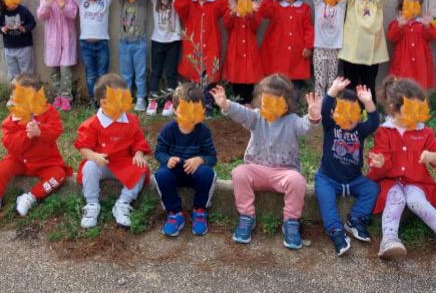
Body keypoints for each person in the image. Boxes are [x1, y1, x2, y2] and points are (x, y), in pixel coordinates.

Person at [211, 74, 321, 250]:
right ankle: (247, 216)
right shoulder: (256, 117)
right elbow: (242, 113)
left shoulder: (291, 121)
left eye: (275, 100)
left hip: (284, 172)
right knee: (239, 173)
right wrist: (225, 104)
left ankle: (291, 222)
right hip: (257, 169)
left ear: (286, 103)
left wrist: (313, 116)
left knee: (297, 180)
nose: (268, 104)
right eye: (265, 99)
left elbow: (304, 127)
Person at [366, 76, 436, 261]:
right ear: (394, 108)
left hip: (416, 182)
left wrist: (432, 156)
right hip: (390, 181)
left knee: (415, 200)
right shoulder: (384, 131)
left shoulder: (424, 132)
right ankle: (389, 239)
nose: (415, 116)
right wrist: (379, 163)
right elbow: (381, 161)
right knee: (395, 198)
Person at [0, 74, 71, 223]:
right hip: (19, 160)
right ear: (12, 98)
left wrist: (40, 131)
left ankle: (30, 197)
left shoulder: (48, 111)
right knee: (3, 168)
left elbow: (56, 130)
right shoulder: (11, 120)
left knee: (59, 175)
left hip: (46, 161)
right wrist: (27, 136)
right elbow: (10, 143)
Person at [74, 73, 152, 229]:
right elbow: (83, 148)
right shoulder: (92, 124)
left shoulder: (131, 120)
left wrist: (138, 154)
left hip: (124, 164)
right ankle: (91, 204)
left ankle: (123, 203)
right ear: (104, 103)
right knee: (89, 167)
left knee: (142, 169)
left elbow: (139, 141)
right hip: (101, 164)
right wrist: (94, 156)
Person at [314, 77, 380, 255]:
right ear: (334, 113)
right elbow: (325, 107)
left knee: (372, 188)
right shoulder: (330, 126)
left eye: (354, 113)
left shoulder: (360, 130)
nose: (348, 118)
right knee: (327, 202)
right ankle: (336, 232)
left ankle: (355, 221)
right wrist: (333, 91)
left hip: (354, 179)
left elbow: (374, 122)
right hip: (328, 178)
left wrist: (368, 102)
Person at [152, 83, 217, 237]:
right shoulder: (169, 130)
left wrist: (200, 159)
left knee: (207, 173)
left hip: (195, 173)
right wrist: (167, 159)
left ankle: (199, 210)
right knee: (161, 175)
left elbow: (212, 157)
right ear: (175, 111)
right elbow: (159, 152)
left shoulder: (203, 131)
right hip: (174, 172)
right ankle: (174, 213)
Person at [336, 0, 390, 103]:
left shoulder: (377, 4)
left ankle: (369, 111)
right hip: (351, 53)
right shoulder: (353, 1)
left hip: (372, 55)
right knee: (350, 85)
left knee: (368, 85)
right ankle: (348, 109)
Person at [142, 0, 190, 117]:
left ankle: (170, 100)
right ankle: (153, 100)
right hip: (157, 41)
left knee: (171, 72)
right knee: (155, 71)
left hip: (174, 42)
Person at [67, 0, 119, 104]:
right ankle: (93, 99)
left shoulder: (105, 2)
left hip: (102, 44)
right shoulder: (83, 1)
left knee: (103, 74)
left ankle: (103, 99)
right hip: (85, 45)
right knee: (90, 75)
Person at [259, 0, 314, 100]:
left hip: (297, 54)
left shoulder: (304, 8)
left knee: (294, 87)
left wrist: (308, 46)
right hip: (278, 53)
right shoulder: (276, 6)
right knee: (276, 85)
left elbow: (308, 29)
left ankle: (292, 110)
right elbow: (264, 13)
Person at [174, 0, 229, 90]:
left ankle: (208, 101)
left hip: (211, 47)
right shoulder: (189, 3)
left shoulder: (213, 4)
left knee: (210, 74)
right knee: (192, 73)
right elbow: (178, 7)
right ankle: (192, 99)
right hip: (193, 48)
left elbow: (224, 10)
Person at [36, 0, 78, 111]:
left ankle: (67, 98)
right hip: (52, 40)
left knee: (65, 69)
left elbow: (73, 14)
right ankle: (58, 96)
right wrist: (47, 5)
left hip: (67, 38)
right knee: (54, 70)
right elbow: (41, 16)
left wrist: (63, 6)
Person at [386, 0, 436, 90]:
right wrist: (400, 25)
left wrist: (427, 26)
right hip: (403, 63)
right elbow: (392, 37)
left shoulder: (422, 24)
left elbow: (432, 36)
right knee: (402, 87)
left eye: (416, 6)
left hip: (420, 64)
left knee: (419, 87)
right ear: (401, 8)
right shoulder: (396, 23)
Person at [223, 0, 264, 106]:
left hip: (249, 51)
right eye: (241, 2)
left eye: (247, 3)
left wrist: (251, 13)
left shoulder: (254, 14)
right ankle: (237, 102)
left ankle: (248, 102)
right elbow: (226, 24)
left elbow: (255, 26)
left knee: (249, 78)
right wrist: (232, 12)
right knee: (236, 77)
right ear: (236, 2)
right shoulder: (233, 14)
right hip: (236, 51)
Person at [311, 0, 347, 96]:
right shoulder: (319, 5)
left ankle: (329, 108)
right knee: (320, 81)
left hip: (335, 49)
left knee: (332, 82)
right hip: (320, 48)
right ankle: (318, 110)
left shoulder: (341, 6)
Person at [116, 0, 150, 112]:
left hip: (139, 43)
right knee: (126, 74)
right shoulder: (123, 1)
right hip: (124, 43)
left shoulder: (141, 2)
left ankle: (141, 98)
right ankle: (127, 98)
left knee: (140, 74)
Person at [0, 0, 36, 80]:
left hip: (25, 48)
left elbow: (32, 23)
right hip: (9, 49)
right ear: (3, 1)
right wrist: (2, 29)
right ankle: (16, 93)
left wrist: (24, 28)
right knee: (13, 74)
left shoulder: (23, 10)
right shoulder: (1, 13)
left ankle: (29, 93)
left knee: (27, 73)